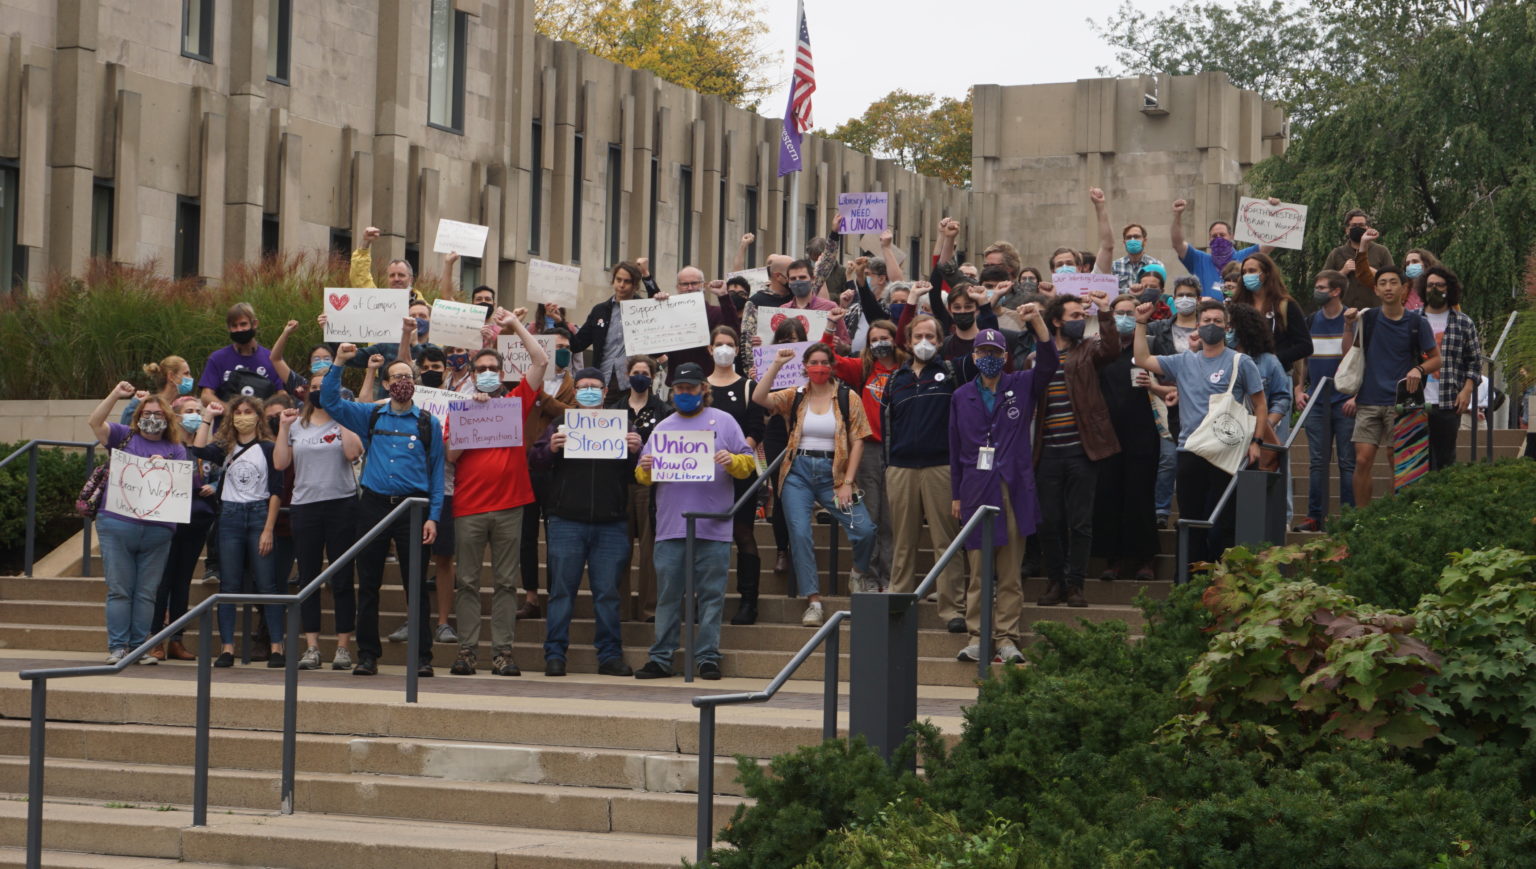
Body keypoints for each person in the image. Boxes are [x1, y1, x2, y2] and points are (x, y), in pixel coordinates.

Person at [319, 345, 446, 677]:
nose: (402, 381)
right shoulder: (371, 415)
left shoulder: (428, 423)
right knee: (370, 582)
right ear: (386, 384)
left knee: (414, 585)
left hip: (414, 509)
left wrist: (433, 516)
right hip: (374, 505)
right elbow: (330, 402)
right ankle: (367, 654)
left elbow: (436, 474)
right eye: (396, 377)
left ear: (414, 382)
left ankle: (422, 657)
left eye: (407, 376)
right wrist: (339, 364)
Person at [635, 362, 755, 679]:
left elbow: (749, 465)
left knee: (712, 597)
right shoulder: (663, 428)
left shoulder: (726, 422)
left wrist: (734, 460)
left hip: (714, 526)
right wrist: (645, 466)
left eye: (691, 387)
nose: (685, 393)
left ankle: (707, 657)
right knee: (668, 597)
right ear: (673, 392)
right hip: (671, 527)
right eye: (680, 389)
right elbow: (642, 477)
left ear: (704, 389)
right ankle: (661, 658)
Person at [1132, 300, 1276, 565]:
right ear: (1197, 326)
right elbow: (1142, 359)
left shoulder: (1240, 362)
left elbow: (1260, 404)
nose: (1212, 326)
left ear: (1227, 327)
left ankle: (1220, 580)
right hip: (1190, 450)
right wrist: (1141, 322)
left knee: (1223, 520)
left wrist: (1256, 441)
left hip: (1227, 451)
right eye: (1207, 321)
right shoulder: (1183, 361)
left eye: (1217, 321)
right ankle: (1188, 580)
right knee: (1190, 519)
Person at [949, 320, 1055, 664]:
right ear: (974, 355)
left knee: (1010, 570)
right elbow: (954, 449)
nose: (989, 357)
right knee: (979, 571)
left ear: (1005, 356)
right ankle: (978, 636)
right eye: (983, 352)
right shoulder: (961, 395)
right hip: (976, 489)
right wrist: (955, 495)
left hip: (1012, 487)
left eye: (995, 353)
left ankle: (1007, 638)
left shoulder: (1021, 384)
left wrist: (1039, 325)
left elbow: (1050, 364)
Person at [446, 322, 547, 677]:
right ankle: (467, 651)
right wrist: (471, 419)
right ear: (471, 376)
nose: (487, 374)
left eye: (493, 369)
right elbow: (451, 456)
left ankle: (503, 652)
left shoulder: (516, 402)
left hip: (510, 505)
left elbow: (540, 360)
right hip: (469, 507)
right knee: (468, 582)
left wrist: (515, 325)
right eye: (481, 370)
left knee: (507, 582)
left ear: (502, 374)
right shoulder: (459, 410)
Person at [753, 345, 877, 628]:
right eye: (813, 362)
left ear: (832, 366)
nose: (819, 367)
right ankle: (813, 600)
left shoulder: (847, 396)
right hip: (798, 472)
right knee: (799, 532)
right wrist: (776, 365)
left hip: (834, 474)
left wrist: (847, 482)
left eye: (824, 362)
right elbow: (760, 398)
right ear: (805, 365)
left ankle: (858, 571)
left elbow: (859, 439)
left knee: (864, 529)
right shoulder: (796, 395)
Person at [530, 367, 639, 677]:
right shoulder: (560, 424)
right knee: (562, 591)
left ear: (605, 392)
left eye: (595, 386)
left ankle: (609, 656)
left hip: (612, 522)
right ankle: (555, 654)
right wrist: (549, 450)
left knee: (607, 593)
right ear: (575, 392)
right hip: (566, 521)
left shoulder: (623, 425)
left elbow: (638, 474)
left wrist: (635, 451)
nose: (589, 391)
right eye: (583, 387)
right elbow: (534, 461)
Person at [88, 382, 190, 664]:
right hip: (118, 524)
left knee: (146, 593)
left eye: (158, 414)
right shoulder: (123, 436)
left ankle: (140, 647)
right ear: (138, 415)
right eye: (147, 412)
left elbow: (184, 483)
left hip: (158, 531)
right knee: (120, 589)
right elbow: (95, 422)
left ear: (167, 419)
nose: (152, 418)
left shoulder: (175, 449)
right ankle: (118, 647)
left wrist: (165, 467)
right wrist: (116, 395)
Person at [1033, 291, 1121, 607]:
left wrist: (1105, 310)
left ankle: (1075, 585)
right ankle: (1055, 581)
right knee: (1048, 520)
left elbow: (1113, 348)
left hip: (1082, 451)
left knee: (1080, 522)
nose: (1079, 321)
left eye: (1081, 317)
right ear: (1056, 321)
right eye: (1074, 316)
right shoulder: (1039, 355)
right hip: (1047, 453)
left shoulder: (1088, 350)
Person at [883, 315, 969, 631]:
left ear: (939, 340)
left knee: (945, 540)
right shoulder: (896, 380)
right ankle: (898, 602)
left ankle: (952, 609)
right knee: (903, 541)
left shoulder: (950, 373)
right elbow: (888, 426)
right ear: (907, 341)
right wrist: (888, 465)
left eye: (930, 336)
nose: (924, 341)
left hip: (941, 466)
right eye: (918, 335)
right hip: (901, 468)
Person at [273, 371, 363, 670]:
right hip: (305, 506)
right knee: (308, 577)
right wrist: (284, 429)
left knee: (342, 578)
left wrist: (345, 416)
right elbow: (280, 463)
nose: (318, 392)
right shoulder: (297, 424)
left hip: (341, 504)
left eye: (325, 388)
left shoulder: (346, 420)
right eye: (313, 388)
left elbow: (352, 454)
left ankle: (343, 646)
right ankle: (311, 646)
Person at [191, 395, 286, 668]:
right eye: (238, 412)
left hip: (259, 514)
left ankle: (277, 646)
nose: (243, 416)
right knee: (229, 584)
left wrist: (269, 529)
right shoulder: (226, 447)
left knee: (267, 584)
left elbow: (277, 491)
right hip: (230, 516)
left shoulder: (268, 447)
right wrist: (208, 416)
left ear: (258, 416)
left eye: (248, 411)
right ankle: (227, 647)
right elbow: (198, 449)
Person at [1341, 267, 1442, 506]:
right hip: (1368, 399)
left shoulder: (1417, 322)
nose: (1388, 287)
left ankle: (1395, 516)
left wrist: (1418, 369)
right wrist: (1347, 326)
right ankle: (1362, 519)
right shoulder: (1369, 318)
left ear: (1404, 288)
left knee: (1397, 460)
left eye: (1394, 282)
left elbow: (1437, 359)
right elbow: (1348, 354)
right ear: (1375, 289)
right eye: (1383, 283)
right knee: (1363, 459)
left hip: (1402, 402)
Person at [826, 314, 903, 593]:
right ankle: (867, 575)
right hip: (869, 448)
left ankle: (891, 577)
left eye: (885, 338)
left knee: (892, 518)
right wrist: (830, 327)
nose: (880, 343)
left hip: (898, 449)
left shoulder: (906, 367)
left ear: (895, 339)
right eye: (874, 340)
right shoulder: (862, 368)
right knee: (870, 515)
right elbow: (828, 358)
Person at [1092, 296, 1165, 582]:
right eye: (1118, 313)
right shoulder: (1101, 352)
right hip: (1107, 436)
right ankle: (1114, 558)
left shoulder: (1151, 347)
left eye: (1128, 313)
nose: (1123, 317)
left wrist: (1155, 385)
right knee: (1109, 496)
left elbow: (1176, 380)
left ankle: (1146, 558)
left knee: (1140, 496)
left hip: (1143, 433)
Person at [147, 394, 217, 661]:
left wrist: (217, 487)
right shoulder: (168, 447)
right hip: (168, 522)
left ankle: (176, 639)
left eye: (198, 411)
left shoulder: (207, 448)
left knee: (182, 582)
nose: (195, 415)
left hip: (198, 522)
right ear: (176, 416)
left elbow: (219, 474)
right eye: (189, 410)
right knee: (162, 583)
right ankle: (154, 640)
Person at [705, 326, 766, 624]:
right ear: (710, 349)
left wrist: (738, 453)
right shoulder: (699, 387)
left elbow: (757, 428)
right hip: (703, 475)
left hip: (739, 472)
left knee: (743, 533)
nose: (724, 349)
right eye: (719, 344)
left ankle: (748, 601)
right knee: (703, 535)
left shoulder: (748, 386)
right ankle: (701, 599)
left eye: (730, 344)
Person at [518, 324, 577, 621]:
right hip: (527, 464)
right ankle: (530, 596)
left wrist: (543, 398)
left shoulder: (577, 385)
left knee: (557, 534)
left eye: (566, 346)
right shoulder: (525, 380)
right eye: (556, 346)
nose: (561, 351)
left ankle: (557, 592)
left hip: (558, 468)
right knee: (526, 535)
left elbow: (576, 414)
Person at [610, 355, 670, 621]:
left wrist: (641, 449)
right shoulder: (613, 410)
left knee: (649, 551)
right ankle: (620, 610)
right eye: (636, 371)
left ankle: (649, 609)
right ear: (627, 374)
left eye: (645, 372)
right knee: (619, 551)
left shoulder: (664, 411)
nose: (640, 376)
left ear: (654, 376)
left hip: (651, 487)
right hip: (619, 484)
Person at [1295, 270, 1355, 532]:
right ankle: (1314, 516)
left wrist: (1356, 395)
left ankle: (1348, 517)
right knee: (1317, 461)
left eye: (1321, 287)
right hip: (1316, 400)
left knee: (1347, 461)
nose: (1316, 290)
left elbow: (1355, 356)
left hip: (1344, 400)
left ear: (1336, 291)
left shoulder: (1352, 319)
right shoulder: (1309, 322)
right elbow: (1303, 359)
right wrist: (1299, 388)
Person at [1147, 276, 1202, 527]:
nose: (1184, 300)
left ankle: (1194, 513)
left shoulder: (1207, 328)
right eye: (1180, 295)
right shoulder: (1159, 329)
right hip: (1166, 398)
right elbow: (1151, 362)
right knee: (1168, 458)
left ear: (1198, 299)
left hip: (1199, 402)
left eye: (1190, 295)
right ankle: (1161, 511)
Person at [1417, 266, 1481, 470]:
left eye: (1439, 285)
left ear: (1449, 288)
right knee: (1417, 463)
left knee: (1445, 461)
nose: (1434, 289)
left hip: (1448, 401)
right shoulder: (1412, 320)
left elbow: (1474, 361)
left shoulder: (1464, 323)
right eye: (1430, 285)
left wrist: (1467, 390)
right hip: (1416, 402)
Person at [571, 261, 656, 391]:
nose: (621, 285)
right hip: (604, 382)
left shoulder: (643, 308)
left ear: (635, 286)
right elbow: (577, 345)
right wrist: (559, 322)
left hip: (634, 383)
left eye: (627, 281)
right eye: (618, 280)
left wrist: (646, 274)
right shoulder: (600, 310)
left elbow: (657, 302)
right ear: (613, 281)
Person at [1232, 252, 1313, 370]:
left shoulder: (1285, 305)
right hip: (1244, 374)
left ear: (1267, 273)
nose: (1247, 275)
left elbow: (1306, 346)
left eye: (1252, 271)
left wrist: (1275, 359)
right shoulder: (1237, 305)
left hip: (1277, 376)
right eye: (1244, 272)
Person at [1169, 199, 1262, 299]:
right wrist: (1177, 215)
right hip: (1207, 312)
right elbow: (1177, 244)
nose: (1218, 239)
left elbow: (1269, 244)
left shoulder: (1245, 256)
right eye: (1214, 236)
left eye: (1222, 235)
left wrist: (1275, 212)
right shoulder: (1199, 259)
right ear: (1209, 239)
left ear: (1231, 236)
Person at [199, 302, 287, 404]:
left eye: (243, 324)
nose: (239, 329)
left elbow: (282, 394)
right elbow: (206, 396)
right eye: (234, 326)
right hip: (227, 418)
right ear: (229, 328)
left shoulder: (272, 358)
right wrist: (229, 411)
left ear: (254, 324)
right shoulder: (217, 358)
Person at [1324, 210, 1395, 310]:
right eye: (1353, 226)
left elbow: (1393, 279)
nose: (1357, 228)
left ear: (1368, 228)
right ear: (1347, 230)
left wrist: (1368, 270)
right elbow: (1324, 283)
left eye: (1361, 225)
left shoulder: (1381, 251)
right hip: (1344, 312)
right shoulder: (1336, 253)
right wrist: (1343, 272)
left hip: (1375, 311)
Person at [120, 356, 197, 424]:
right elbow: (124, 432)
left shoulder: (180, 408)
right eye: (186, 373)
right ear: (171, 376)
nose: (190, 378)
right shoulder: (141, 404)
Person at [1111, 222, 1163, 293]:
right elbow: (1111, 291)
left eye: (1136, 237)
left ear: (1144, 241)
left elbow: (1158, 291)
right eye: (1129, 237)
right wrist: (1129, 291)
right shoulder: (1114, 266)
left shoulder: (1156, 265)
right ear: (1124, 242)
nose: (1132, 240)